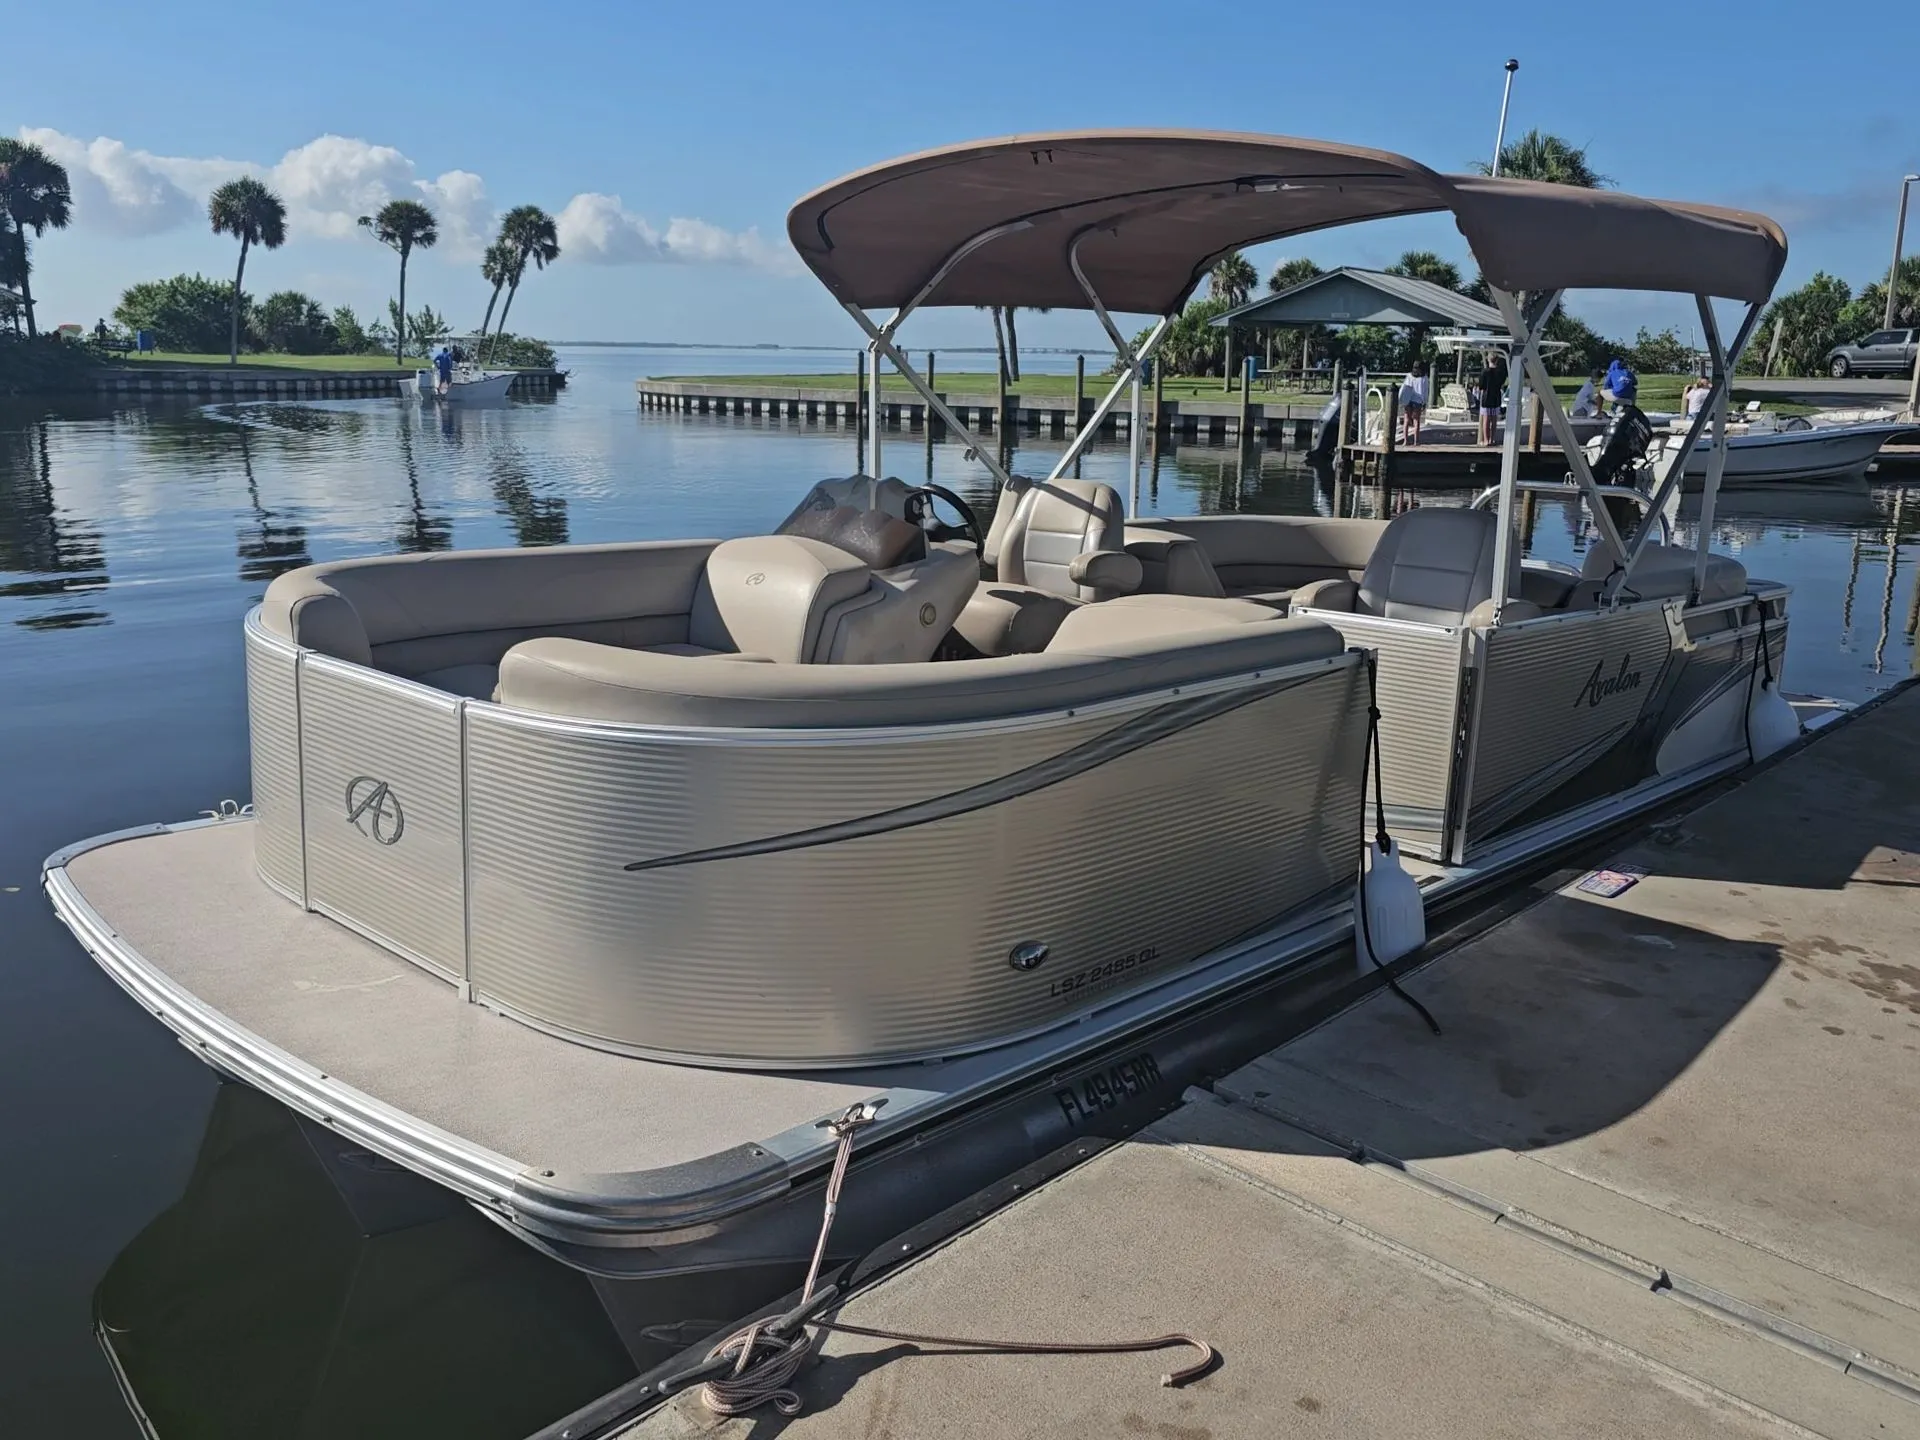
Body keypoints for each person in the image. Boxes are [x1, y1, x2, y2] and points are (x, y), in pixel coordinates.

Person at [1476, 351, 1509, 445]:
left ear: (1488, 360)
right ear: (1497, 360)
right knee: (1494, 419)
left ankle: (1486, 440)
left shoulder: (1485, 372)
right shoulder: (1501, 372)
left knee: (1486, 419)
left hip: (1486, 397)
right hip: (1496, 396)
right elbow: (1502, 383)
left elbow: (1481, 386)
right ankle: (1492, 439)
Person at [1398, 361, 1429, 445]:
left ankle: (1405, 441)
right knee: (1416, 421)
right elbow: (1425, 391)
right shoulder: (1424, 378)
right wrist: (1425, 402)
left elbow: (1404, 388)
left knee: (1406, 420)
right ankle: (1416, 441)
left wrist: (1402, 400)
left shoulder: (1409, 376)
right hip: (1418, 400)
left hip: (1408, 399)